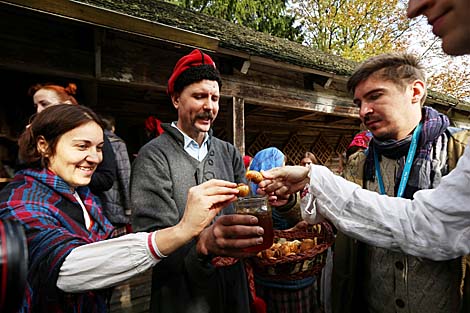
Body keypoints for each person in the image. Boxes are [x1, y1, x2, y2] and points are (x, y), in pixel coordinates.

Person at [257, 0, 470, 262]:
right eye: (359, 103)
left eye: (375, 96)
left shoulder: (459, 151)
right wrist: (291, 201)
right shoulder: (358, 163)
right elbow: (336, 220)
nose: (363, 111)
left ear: (415, 92)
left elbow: (437, 229)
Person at [0, 104, 239, 313]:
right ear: (44, 146)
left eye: (99, 147)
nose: (95, 158)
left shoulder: (83, 195)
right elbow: (64, 267)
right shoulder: (21, 199)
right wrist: (182, 230)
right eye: (82, 146)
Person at [130, 49, 263, 313]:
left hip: (233, 286)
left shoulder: (228, 152)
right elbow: (151, 237)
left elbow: (245, 207)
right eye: (199, 96)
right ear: (176, 99)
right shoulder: (154, 156)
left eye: (214, 97)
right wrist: (203, 245)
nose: (209, 106)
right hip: (181, 293)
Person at [249, 147, 321, 313]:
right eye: (280, 165)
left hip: (291, 276)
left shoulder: (289, 194)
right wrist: (293, 232)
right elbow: (257, 238)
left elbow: (301, 214)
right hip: (284, 279)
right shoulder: (252, 202)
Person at [28, 83, 117, 194]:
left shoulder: (93, 132)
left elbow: (106, 179)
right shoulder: (28, 201)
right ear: (43, 145)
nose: (39, 111)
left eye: (44, 104)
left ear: (67, 104)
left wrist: (75, 174)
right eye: (36, 106)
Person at [100, 116, 132, 235]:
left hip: (97, 206)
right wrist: (128, 207)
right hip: (116, 204)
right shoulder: (117, 144)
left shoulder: (92, 142)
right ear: (112, 128)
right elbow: (125, 175)